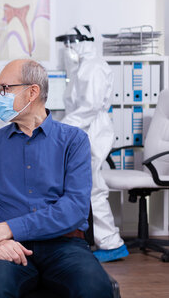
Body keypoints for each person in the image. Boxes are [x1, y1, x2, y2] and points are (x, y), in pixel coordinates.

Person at [0, 59, 113, 297]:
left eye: (4, 89)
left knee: (96, 288)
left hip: (64, 246)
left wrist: (8, 228)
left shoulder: (74, 141)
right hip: (8, 248)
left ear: (32, 92)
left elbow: (74, 208)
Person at [59, 25, 128, 263]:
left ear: (83, 41)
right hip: (82, 131)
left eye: (70, 42)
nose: (67, 48)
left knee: (94, 188)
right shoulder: (80, 67)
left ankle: (111, 243)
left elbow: (89, 107)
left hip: (93, 132)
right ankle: (99, 240)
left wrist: (61, 127)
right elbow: (74, 106)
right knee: (86, 188)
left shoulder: (94, 66)